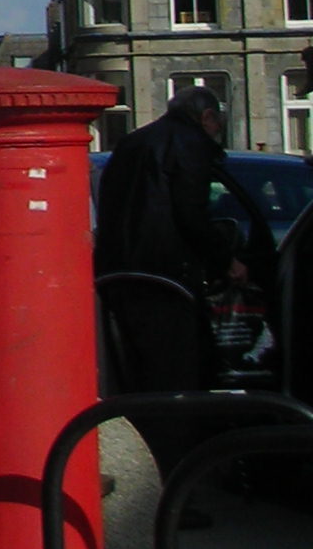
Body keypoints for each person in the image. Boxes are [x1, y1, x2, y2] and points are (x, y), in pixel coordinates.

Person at [95, 88, 255, 395]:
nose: (217, 130)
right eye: (217, 123)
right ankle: (183, 433)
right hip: (167, 275)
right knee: (179, 369)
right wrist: (225, 260)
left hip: (119, 272)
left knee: (140, 368)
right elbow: (191, 214)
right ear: (206, 116)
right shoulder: (191, 145)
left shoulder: (131, 142)